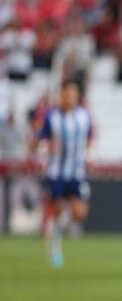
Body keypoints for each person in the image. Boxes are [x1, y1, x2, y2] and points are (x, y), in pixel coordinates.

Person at [30, 82, 93, 267]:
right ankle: (54, 248)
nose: (69, 99)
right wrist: (46, 147)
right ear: (60, 96)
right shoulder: (51, 117)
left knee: (80, 213)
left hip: (76, 172)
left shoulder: (84, 116)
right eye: (66, 95)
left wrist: (90, 154)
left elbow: (90, 137)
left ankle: (53, 230)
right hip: (56, 173)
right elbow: (35, 142)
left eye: (73, 95)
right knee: (56, 211)